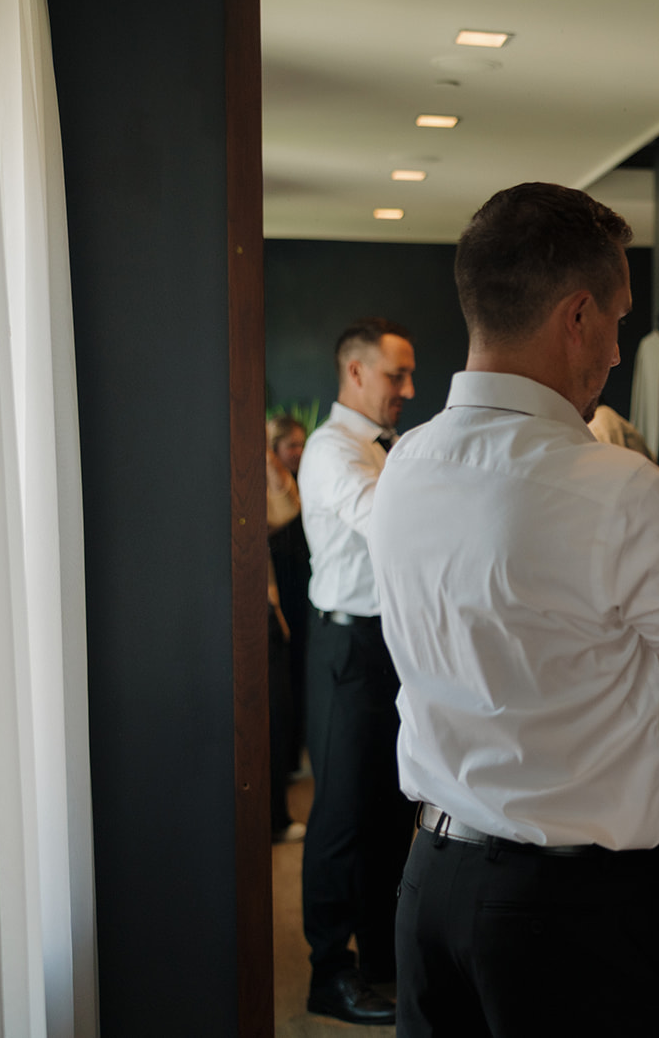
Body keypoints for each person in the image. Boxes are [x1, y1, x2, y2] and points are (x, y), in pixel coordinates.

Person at [367, 182, 659, 1037]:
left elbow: (522, 592)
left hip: (432, 887)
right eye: (618, 318)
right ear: (576, 316)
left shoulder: (407, 465)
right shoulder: (619, 491)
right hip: (576, 920)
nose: (620, 350)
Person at [296, 318, 418, 1025]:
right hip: (347, 651)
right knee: (341, 812)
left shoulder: (395, 447)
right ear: (355, 373)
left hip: (395, 648)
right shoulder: (329, 450)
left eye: (408, 374)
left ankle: (382, 958)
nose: (408, 388)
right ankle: (327, 971)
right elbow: (392, 524)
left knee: (390, 808)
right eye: (395, 374)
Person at [267, 414, 310, 780]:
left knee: (300, 670)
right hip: (281, 584)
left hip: (304, 583)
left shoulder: (305, 480)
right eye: (291, 445)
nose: (298, 451)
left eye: (301, 443)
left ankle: (297, 756)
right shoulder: (274, 489)